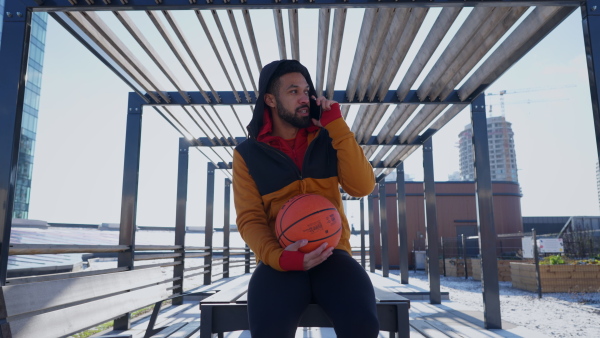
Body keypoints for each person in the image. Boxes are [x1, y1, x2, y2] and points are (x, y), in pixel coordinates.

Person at [232, 59, 379, 337]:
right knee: (268, 331)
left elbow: (362, 186)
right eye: (293, 91)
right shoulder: (247, 155)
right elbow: (250, 220)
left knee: (363, 326)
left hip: (332, 255)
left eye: (306, 90)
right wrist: (279, 258)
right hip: (280, 260)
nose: (305, 98)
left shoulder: (329, 138)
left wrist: (336, 125)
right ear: (270, 99)